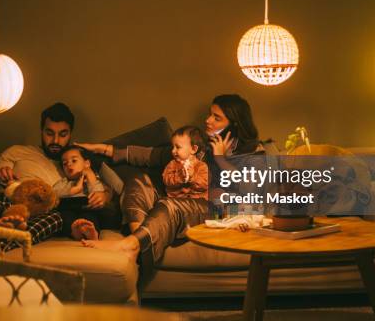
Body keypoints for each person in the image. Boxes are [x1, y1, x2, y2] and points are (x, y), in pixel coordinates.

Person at [77, 94, 272, 274]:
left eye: (216, 117)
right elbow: (150, 155)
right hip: (183, 200)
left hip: (217, 209)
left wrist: (221, 159)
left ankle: (133, 244)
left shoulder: (254, 151)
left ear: (234, 125)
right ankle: (137, 243)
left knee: (170, 206)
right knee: (137, 182)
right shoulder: (201, 145)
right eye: (209, 115)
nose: (208, 120)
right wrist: (101, 148)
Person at [0, 102, 112, 248]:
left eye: (63, 134)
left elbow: (104, 187)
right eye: (49, 133)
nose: (55, 141)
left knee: (56, 218)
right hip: (8, 200)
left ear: (70, 134)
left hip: (41, 214)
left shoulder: (75, 162)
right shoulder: (17, 151)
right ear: (41, 131)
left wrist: (105, 196)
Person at [54, 145, 107, 240]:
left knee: (91, 217)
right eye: (65, 163)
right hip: (69, 208)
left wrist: (90, 176)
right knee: (65, 216)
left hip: (87, 208)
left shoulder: (92, 179)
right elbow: (53, 194)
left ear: (86, 163)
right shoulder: (64, 182)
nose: (69, 165)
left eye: (74, 161)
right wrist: (72, 190)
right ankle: (75, 232)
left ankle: (92, 233)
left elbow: (97, 194)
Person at [162, 126, 208, 200]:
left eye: (178, 147)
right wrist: (179, 177)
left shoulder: (201, 166)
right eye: (172, 147)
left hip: (197, 200)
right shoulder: (172, 164)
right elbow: (166, 180)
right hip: (176, 200)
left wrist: (193, 177)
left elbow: (205, 185)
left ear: (193, 149)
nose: (173, 151)